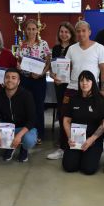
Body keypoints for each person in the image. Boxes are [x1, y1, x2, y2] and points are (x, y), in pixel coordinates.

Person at [56, 20, 104, 155]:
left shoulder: (99, 48)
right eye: (78, 31)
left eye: (84, 30)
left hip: (91, 90)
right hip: (72, 88)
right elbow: (66, 68)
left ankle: (90, 144)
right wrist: (58, 78)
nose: (81, 33)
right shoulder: (71, 48)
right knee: (64, 117)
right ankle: (64, 147)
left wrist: (102, 89)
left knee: (90, 118)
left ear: (89, 32)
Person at [0, 68, 37, 162]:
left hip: (23, 128)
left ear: (18, 81)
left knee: (29, 140)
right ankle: (10, 146)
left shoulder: (27, 95)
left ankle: (24, 148)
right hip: (7, 128)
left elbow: (32, 120)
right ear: (3, 80)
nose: (10, 80)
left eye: (13, 78)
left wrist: (19, 136)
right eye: (7, 77)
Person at [62, 70, 104, 175]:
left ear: (93, 82)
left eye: (88, 80)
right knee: (69, 167)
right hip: (75, 139)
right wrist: (70, 137)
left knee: (88, 169)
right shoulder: (73, 99)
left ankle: (89, 155)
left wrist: (91, 139)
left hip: (93, 140)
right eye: (81, 80)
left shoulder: (100, 100)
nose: (84, 83)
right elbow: (66, 120)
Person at [15, 19, 51, 144]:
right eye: (29, 29)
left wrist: (42, 73)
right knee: (25, 107)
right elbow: (18, 61)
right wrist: (18, 67)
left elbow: (48, 62)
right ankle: (25, 133)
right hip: (25, 80)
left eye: (33, 29)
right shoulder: (21, 44)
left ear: (37, 30)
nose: (31, 31)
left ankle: (39, 134)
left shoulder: (43, 44)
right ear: (25, 30)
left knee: (38, 107)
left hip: (39, 80)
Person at [46, 22, 77, 160]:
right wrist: (52, 75)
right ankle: (62, 141)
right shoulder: (56, 48)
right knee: (62, 112)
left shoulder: (75, 48)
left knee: (72, 113)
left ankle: (73, 141)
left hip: (71, 85)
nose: (64, 34)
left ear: (71, 34)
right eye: (61, 32)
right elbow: (53, 67)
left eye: (67, 32)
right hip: (59, 85)